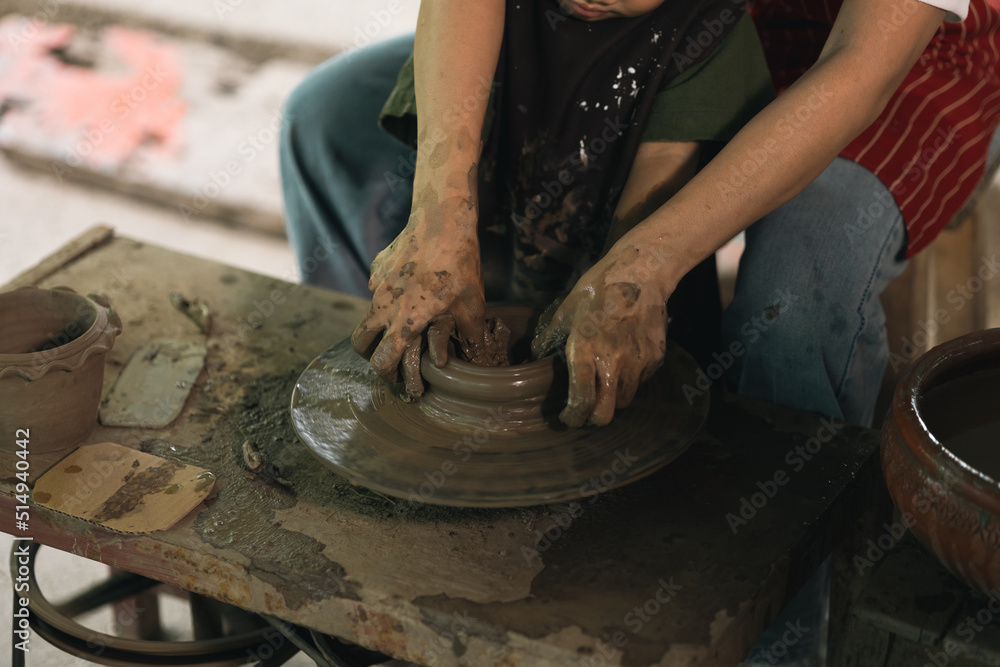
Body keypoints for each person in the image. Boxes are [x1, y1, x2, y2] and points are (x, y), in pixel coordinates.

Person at [282, 0, 1000, 433]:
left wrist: (642, 266)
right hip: (655, 15)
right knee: (330, 123)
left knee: (798, 283)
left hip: (896, 49)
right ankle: (396, 380)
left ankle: (782, 616)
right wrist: (440, 214)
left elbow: (860, 69)